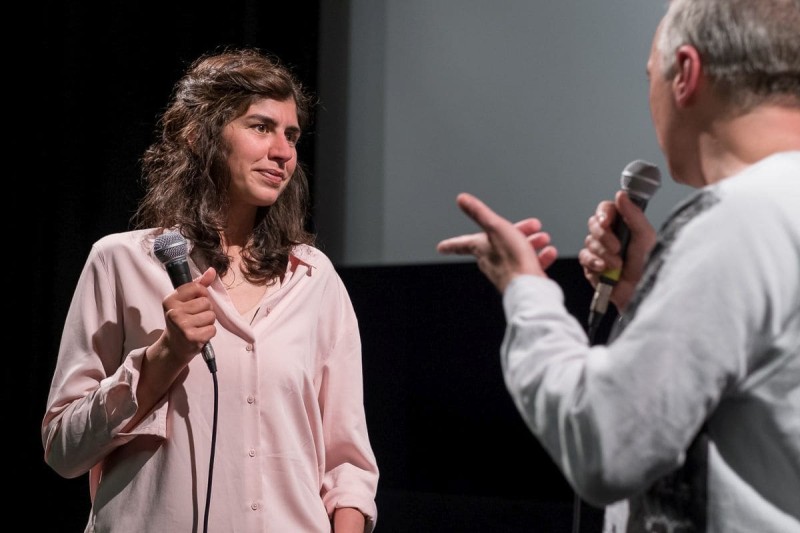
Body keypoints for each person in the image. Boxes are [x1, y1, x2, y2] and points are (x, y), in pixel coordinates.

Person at [437, 0, 800, 531]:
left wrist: (525, 289)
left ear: (686, 74)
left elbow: (607, 443)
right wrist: (651, 289)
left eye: (650, 76)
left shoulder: (741, 219)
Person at [42, 48, 379, 532]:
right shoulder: (121, 262)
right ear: (199, 135)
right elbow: (63, 450)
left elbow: (347, 464)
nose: (283, 152)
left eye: (291, 135)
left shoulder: (313, 277)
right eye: (261, 127)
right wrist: (162, 358)